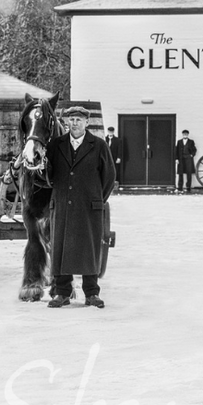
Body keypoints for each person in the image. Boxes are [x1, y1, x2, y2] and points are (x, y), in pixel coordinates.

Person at [45, 105, 117, 309]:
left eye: (79, 120)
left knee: (90, 249)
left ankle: (92, 293)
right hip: (62, 206)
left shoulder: (99, 145)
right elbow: (48, 176)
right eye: (72, 119)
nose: (75, 123)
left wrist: (96, 199)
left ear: (86, 123)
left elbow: (109, 176)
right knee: (60, 248)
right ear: (67, 122)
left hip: (89, 207)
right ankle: (62, 293)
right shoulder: (56, 145)